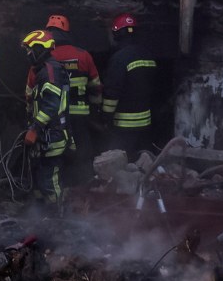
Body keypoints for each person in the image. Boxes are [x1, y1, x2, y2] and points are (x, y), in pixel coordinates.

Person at [40, 15, 102, 186]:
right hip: (79, 114)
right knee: (82, 152)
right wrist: (97, 111)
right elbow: (96, 87)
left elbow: (31, 89)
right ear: (67, 33)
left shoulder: (43, 56)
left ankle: (60, 188)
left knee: (55, 154)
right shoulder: (84, 55)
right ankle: (83, 188)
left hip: (52, 117)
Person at [21, 29, 71, 207]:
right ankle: (40, 216)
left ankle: (57, 217)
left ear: (40, 49)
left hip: (53, 135)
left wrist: (34, 129)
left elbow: (51, 105)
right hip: (46, 136)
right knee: (38, 177)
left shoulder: (50, 71)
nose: (28, 54)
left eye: (30, 50)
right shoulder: (44, 70)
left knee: (49, 181)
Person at [101, 13, 157, 156]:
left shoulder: (119, 59)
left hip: (123, 126)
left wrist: (105, 118)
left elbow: (112, 94)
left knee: (118, 164)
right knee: (144, 162)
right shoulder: (149, 55)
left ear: (117, 34)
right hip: (146, 124)